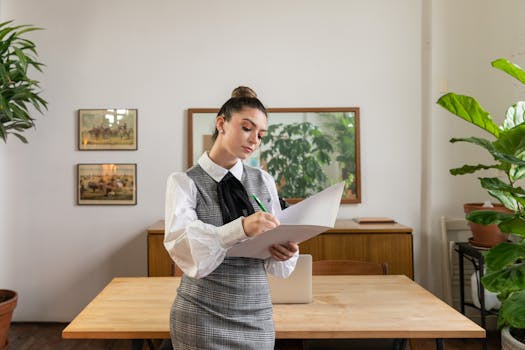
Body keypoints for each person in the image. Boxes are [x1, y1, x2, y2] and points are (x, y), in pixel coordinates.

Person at [164, 86, 299, 349]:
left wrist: (285, 252)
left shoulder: (264, 180)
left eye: (260, 134)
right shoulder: (183, 182)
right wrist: (242, 228)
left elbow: (277, 266)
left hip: (257, 315)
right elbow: (184, 249)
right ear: (221, 124)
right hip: (200, 317)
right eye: (247, 128)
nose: (255, 140)